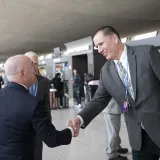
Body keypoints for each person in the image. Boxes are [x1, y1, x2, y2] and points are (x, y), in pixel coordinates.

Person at [71, 26, 160, 160]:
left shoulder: (146, 53)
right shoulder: (106, 72)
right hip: (138, 138)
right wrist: (79, 118)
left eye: (101, 44)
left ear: (114, 38)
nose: (99, 50)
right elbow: (98, 101)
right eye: (96, 47)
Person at [0, 55, 75, 160]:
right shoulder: (33, 103)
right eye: (32, 67)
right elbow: (52, 139)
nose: (35, 70)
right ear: (23, 73)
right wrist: (70, 130)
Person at [25, 51, 52, 160]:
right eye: (31, 63)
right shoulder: (19, 80)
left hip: (38, 127)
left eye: (36, 63)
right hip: (22, 126)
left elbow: (46, 105)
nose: (34, 66)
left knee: (37, 153)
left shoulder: (44, 82)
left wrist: (48, 124)